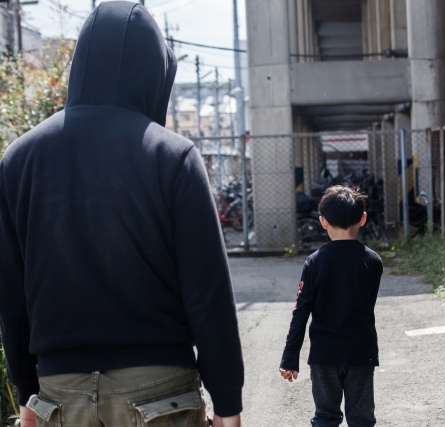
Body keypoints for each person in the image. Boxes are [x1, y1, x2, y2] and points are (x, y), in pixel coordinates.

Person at [0, 2, 243, 426]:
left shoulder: (19, 159)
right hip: (160, 393)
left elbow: (11, 296)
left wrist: (26, 392)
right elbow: (208, 292)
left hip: (59, 394)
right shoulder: (172, 156)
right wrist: (227, 402)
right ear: (153, 73)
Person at [279, 186, 383, 427]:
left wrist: (290, 358)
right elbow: (367, 303)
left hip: (324, 353)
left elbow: (300, 312)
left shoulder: (315, 262)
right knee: (362, 418)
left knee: (326, 416)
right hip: (361, 352)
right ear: (363, 218)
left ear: (323, 221)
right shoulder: (373, 261)